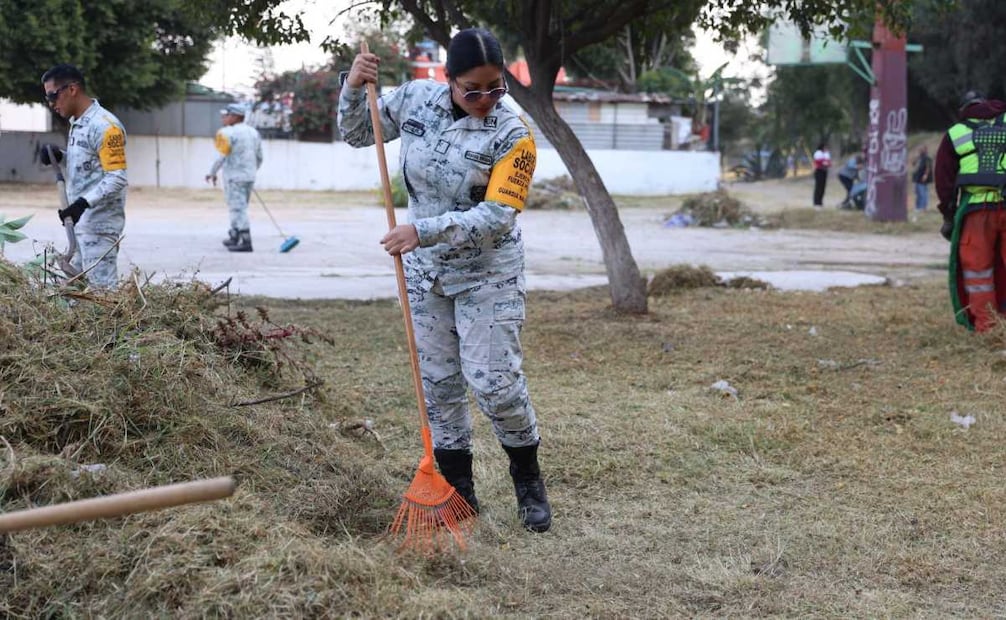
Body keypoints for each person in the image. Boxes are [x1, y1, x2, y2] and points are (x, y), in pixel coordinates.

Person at [338, 27, 552, 533]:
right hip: (425, 273)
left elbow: (500, 215)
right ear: (447, 79)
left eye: (495, 88)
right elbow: (355, 133)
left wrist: (423, 231)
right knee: (439, 386)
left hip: (487, 272)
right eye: (471, 90)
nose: (484, 100)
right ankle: (459, 494)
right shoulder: (415, 100)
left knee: (495, 384)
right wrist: (353, 87)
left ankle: (528, 479)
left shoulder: (514, 135)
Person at [38, 63, 127, 289]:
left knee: (101, 295)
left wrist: (81, 203)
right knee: (75, 293)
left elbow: (116, 177)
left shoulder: (106, 126)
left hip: (99, 225)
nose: (51, 103)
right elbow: (91, 163)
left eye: (53, 96)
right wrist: (62, 156)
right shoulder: (78, 124)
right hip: (80, 225)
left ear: (72, 89)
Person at [935, 89, 1006, 331]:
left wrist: (948, 214)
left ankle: (988, 329)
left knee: (978, 273)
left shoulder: (956, 133)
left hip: (976, 211)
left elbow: (943, 180)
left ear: (963, 110)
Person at [206, 102, 263, 252]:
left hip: (234, 177)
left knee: (238, 209)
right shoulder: (253, 132)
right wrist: (251, 171)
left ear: (236, 116)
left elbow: (221, 156)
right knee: (238, 207)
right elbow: (260, 157)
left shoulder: (226, 133)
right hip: (249, 176)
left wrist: (212, 172)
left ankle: (246, 241)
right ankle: (234, 235)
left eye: (227, 115)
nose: (224, 119)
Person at [912, 145, 933, 211]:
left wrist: (925, 175)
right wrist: (916, 157)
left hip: (922, 178)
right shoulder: (919, 158)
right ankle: (920, 206)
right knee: (918, 193)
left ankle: (922, 207)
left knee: (922, 193)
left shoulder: (927, 158)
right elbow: (913, 164)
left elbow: (928, 168)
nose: (920, 151)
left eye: (921, 149)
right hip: (918, 178)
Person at [812, 142, 831, 208]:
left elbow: (829, 163)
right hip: (819, 171)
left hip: (824, 171)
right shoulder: (818, 153)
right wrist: (824, 163)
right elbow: (819, 162)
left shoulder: (826, 154)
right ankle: (816, 202)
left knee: (823, 187)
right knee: (818, 187)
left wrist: (826, 163)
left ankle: (820, 201)